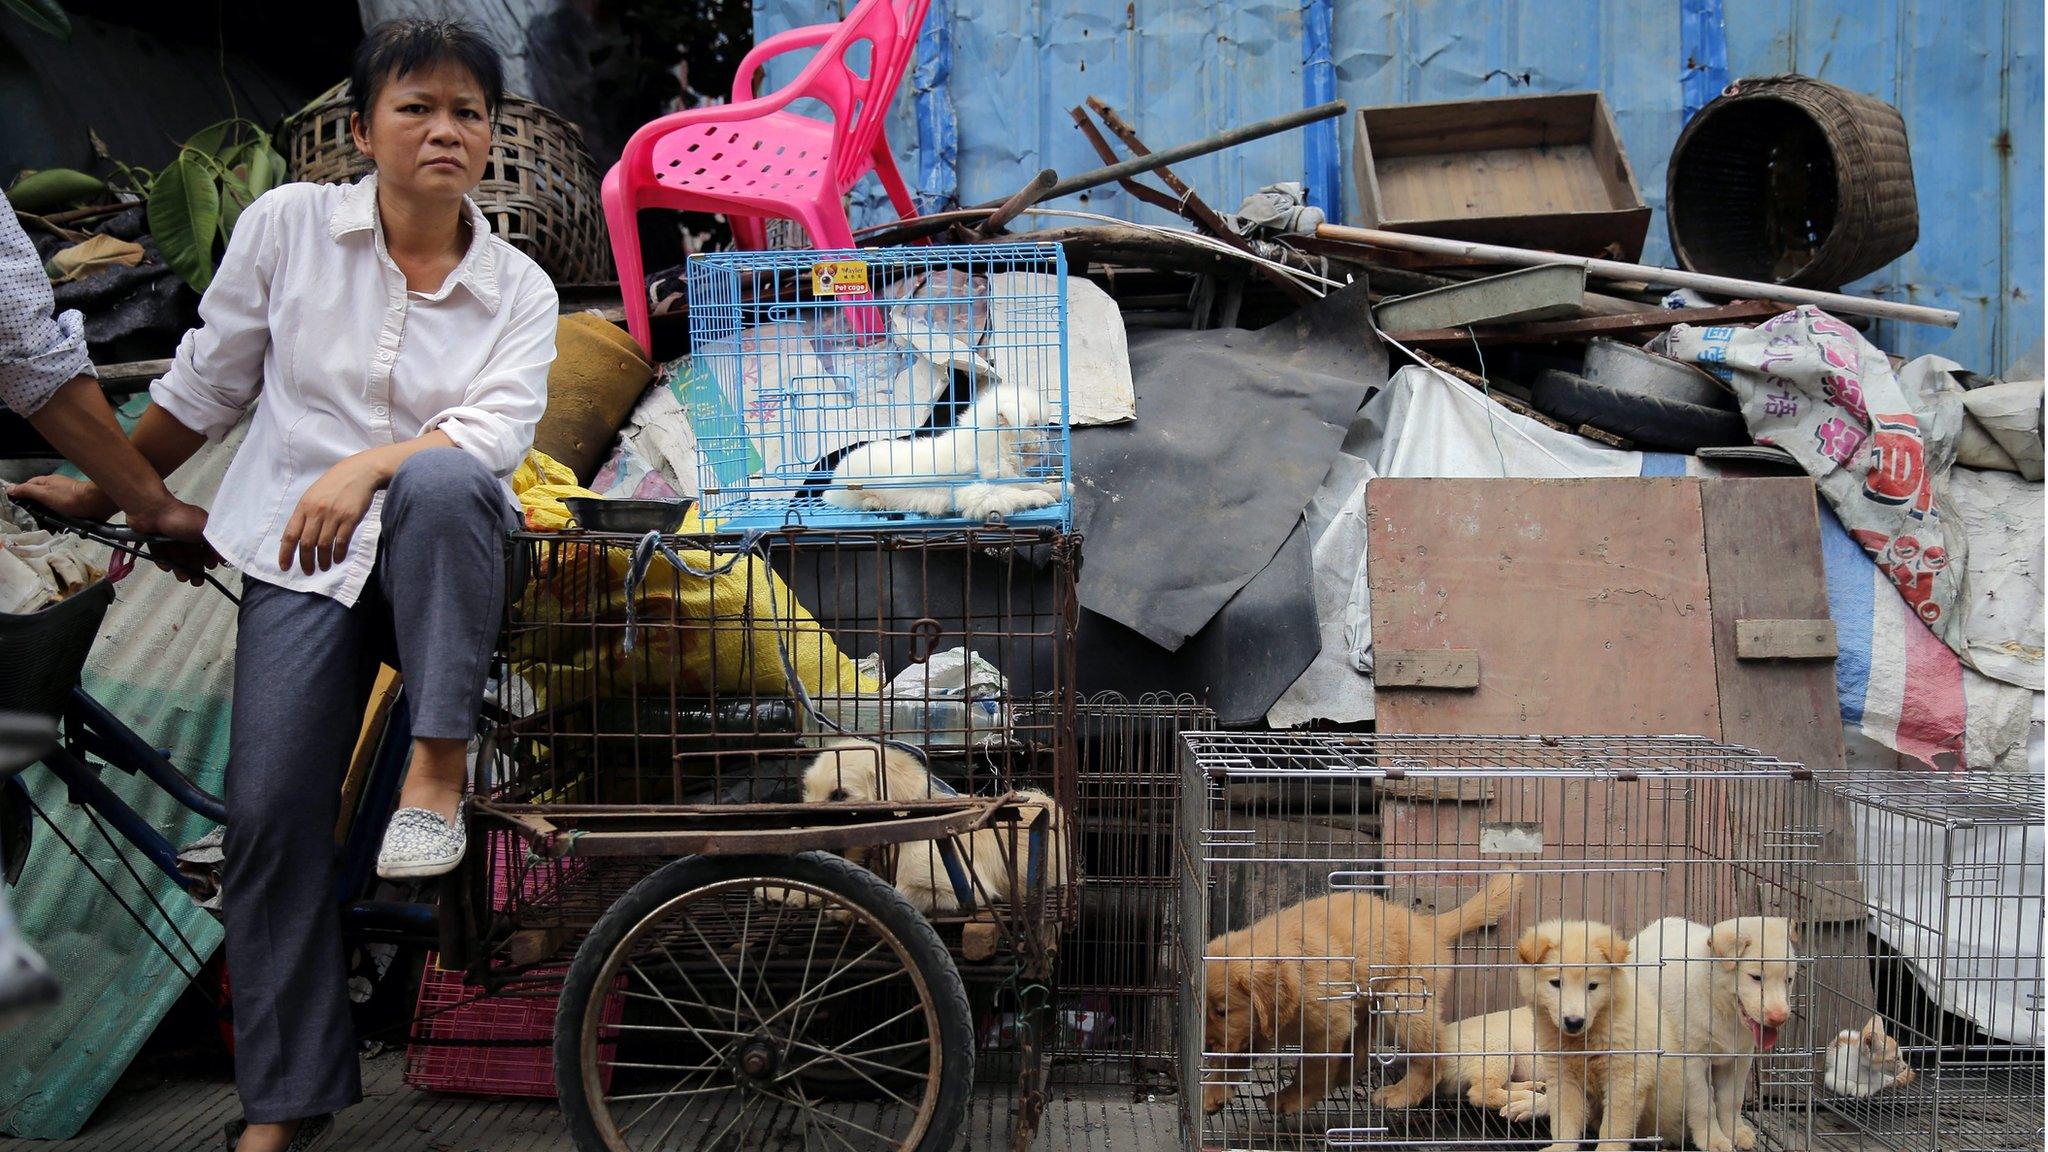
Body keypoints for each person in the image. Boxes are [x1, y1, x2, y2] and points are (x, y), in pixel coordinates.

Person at [12, 20, 557, 1152]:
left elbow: (492, 439)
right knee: (267, 823)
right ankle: (284, 1102)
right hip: (300, 566)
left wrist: (365, 465)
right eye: (415, 108)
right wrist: (108, 490)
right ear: (361, 130)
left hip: (442, 573)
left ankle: (438, 769)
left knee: (449, 481)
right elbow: (209, 383)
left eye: (467, 111)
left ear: (490, 138)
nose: (443, 129)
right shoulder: (287, 230)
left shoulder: (520, 289)